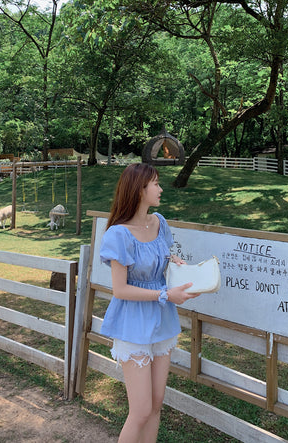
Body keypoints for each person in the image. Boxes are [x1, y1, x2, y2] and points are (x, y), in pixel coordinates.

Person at [99, 163, 200, 443]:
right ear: (139, 189)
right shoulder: (119, 234)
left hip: (162, 320)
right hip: (133, 322)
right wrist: (166, 295)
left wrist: (180, 268)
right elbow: (120, 290)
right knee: (141, 410)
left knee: (156, 404)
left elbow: (163, 261)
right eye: (155, 183)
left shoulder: (159, 222)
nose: (160, 188)